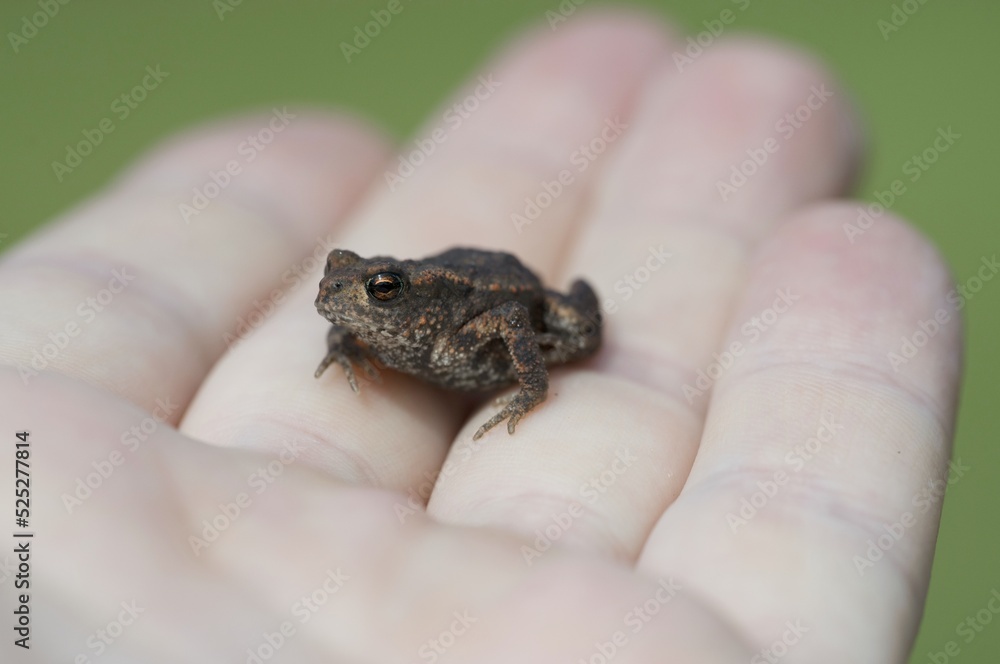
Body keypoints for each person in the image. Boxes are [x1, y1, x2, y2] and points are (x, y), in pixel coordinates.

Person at [0, 11, 961, 662]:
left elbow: (510, 317)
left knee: (578, 329)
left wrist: (531, 383)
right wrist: (348, 338)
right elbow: (349, 306)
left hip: (505, 286)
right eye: (346, 293)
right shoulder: (373, 319)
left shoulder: (449, 322)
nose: (349, 303)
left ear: (405, 298)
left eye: (369, 295)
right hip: (450, 277)